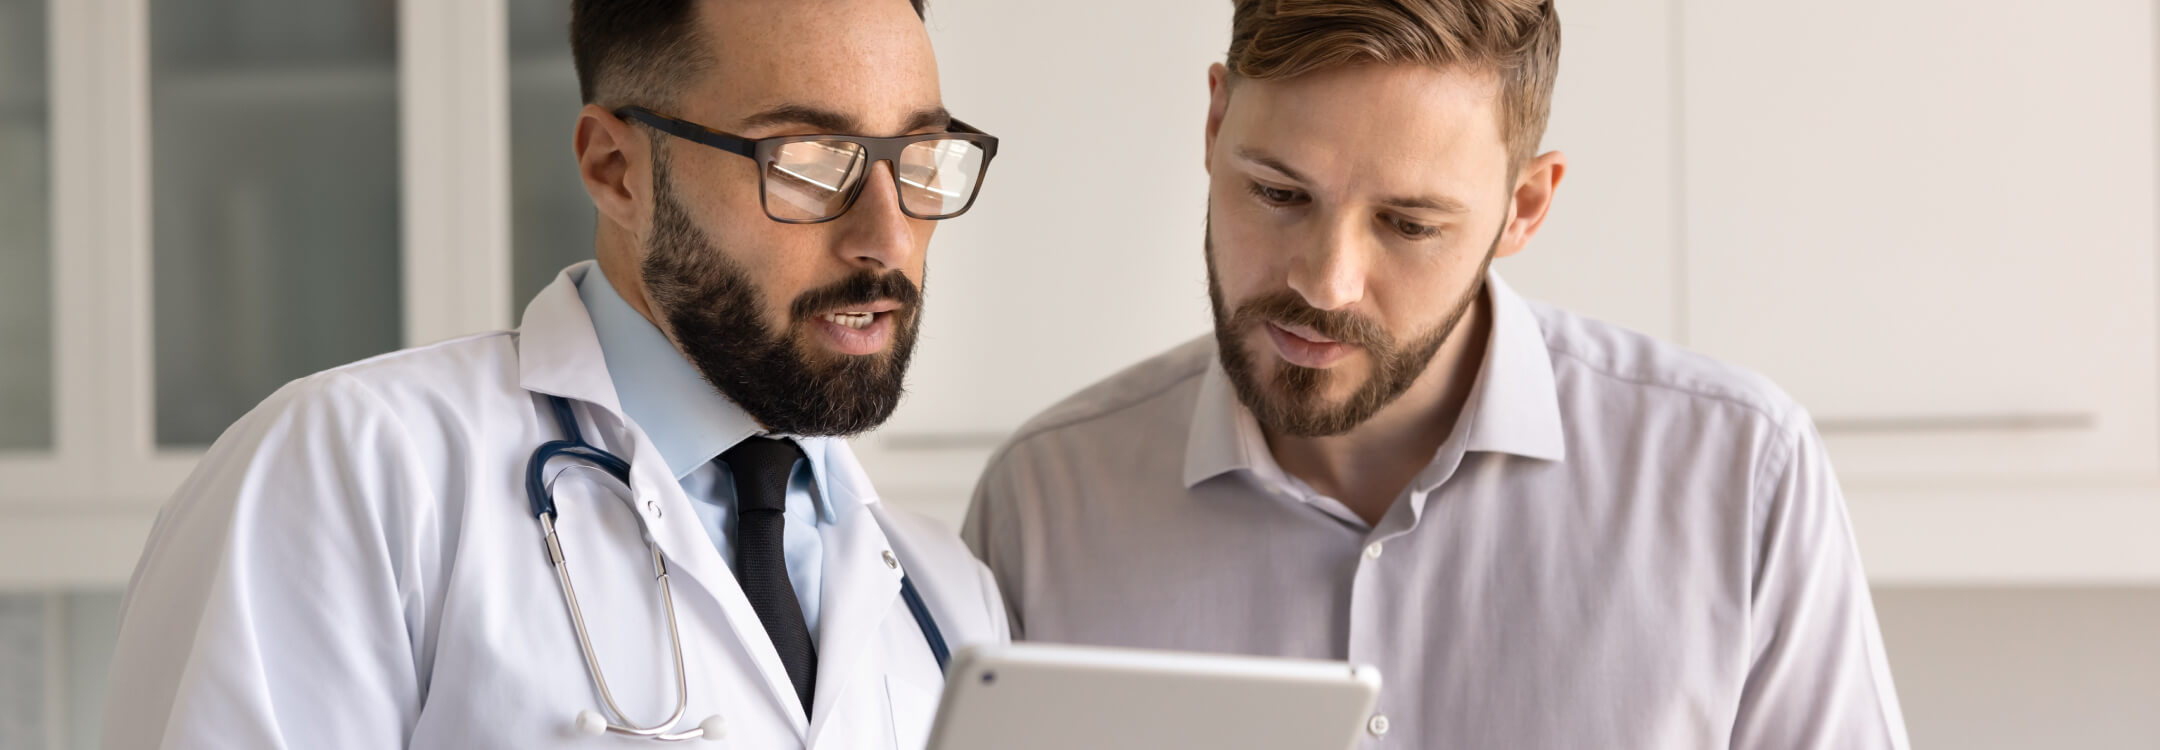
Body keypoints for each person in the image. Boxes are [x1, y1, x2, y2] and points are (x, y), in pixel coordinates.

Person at [963, 1, 1910, 747]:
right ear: (1214, 125)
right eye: (1279, 193)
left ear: (1524, 207)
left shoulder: (1740, 476)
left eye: (1409, 224)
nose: (1325, 283)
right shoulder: (1044, 507)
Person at [100, 1, 1006, 747]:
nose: (888, 239)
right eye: (808, 163)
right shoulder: (355, 474)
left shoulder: (945, 600)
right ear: (616, 169)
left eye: (918, 161)